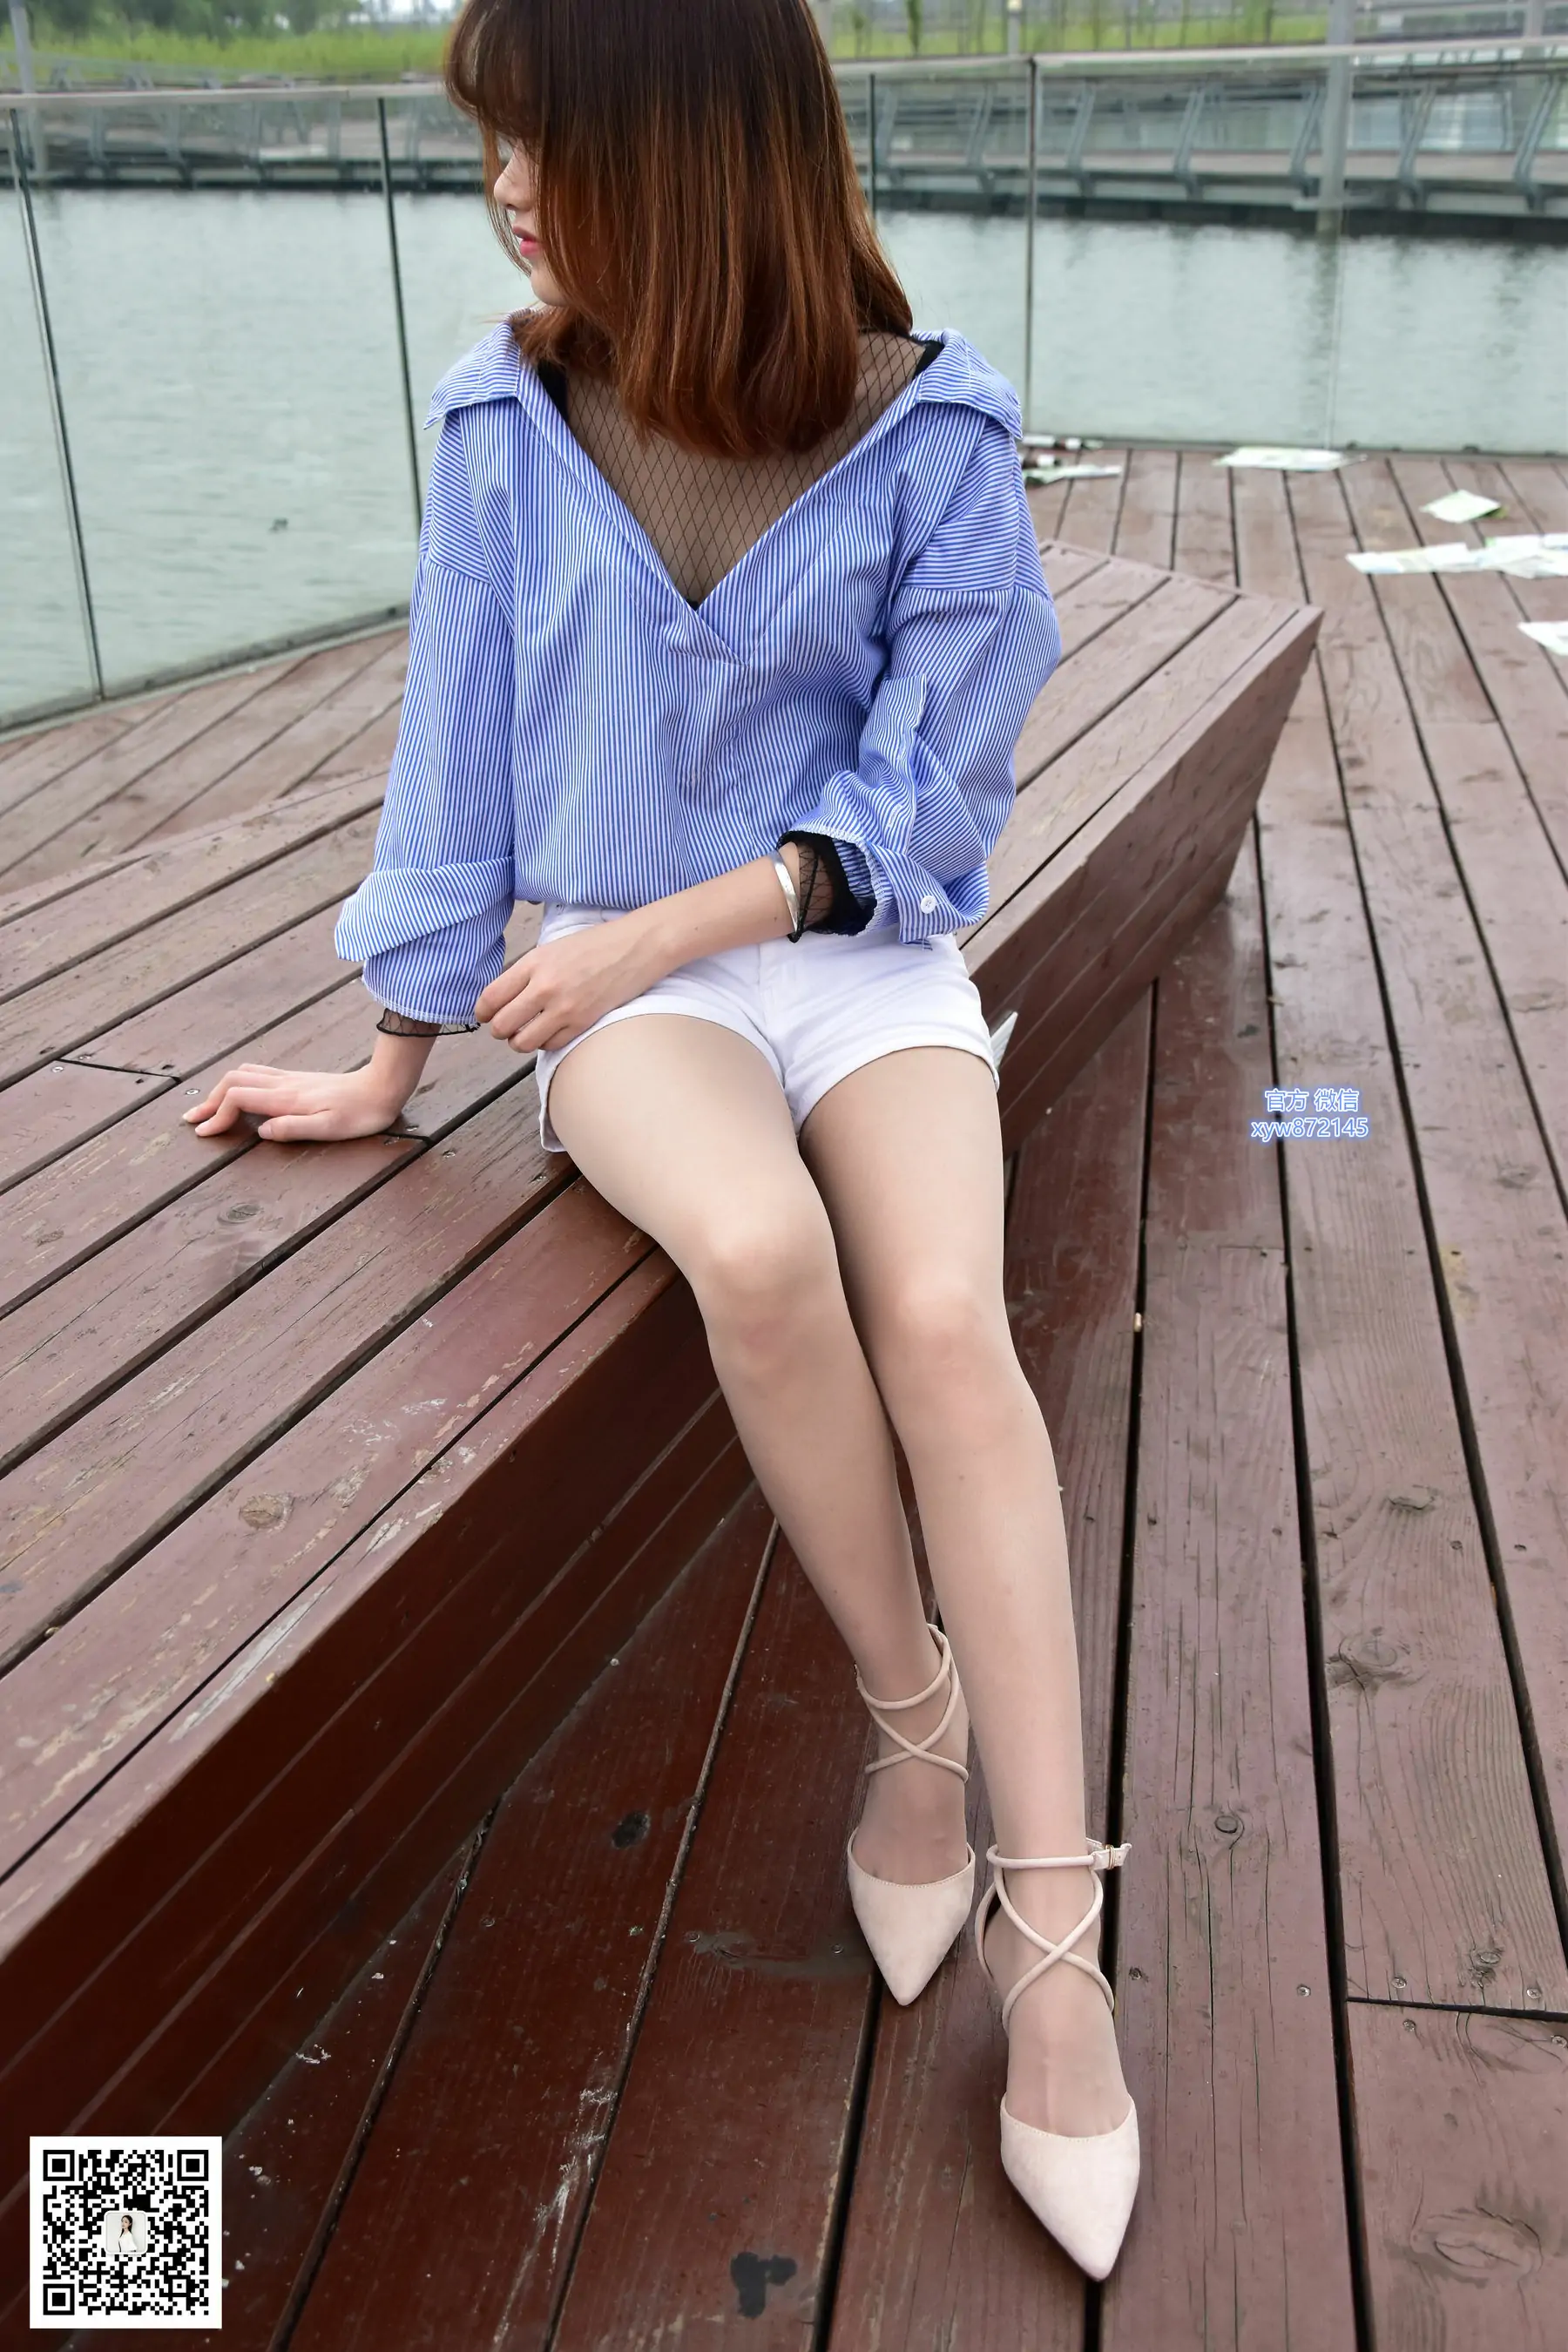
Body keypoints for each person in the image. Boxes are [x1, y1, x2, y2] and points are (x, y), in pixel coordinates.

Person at [186, 0, 1138, 2279]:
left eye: (549, 138)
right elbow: (456, 748)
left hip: (851, 943)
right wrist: (396, 1056)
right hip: (628, 996)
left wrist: (672, 923)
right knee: (767, 1254)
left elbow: (938, 796)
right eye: (495, 140)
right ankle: (909, 1717)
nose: (509, 186)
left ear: (698, 147)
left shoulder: (931, 426)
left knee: (948, 1317)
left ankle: (1057, 1941)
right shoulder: (504, 421)